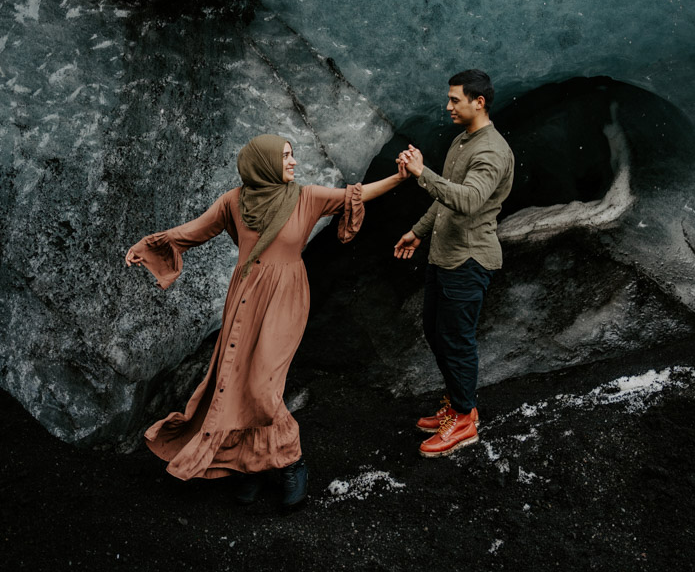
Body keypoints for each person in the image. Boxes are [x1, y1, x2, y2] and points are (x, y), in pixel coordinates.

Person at [126, 134, 407, 509]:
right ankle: (252, 466)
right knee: (236, 379)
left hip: (286, 296)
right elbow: (194, 231)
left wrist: (400, 177)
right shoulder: (234, 201)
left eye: (292, 156)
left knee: (262, 386)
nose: (293, 163)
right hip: (245, 296)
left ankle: (292, 461)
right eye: (286, 157)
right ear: (264, 163)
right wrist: (147, 246)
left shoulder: (305, 197)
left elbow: (354, 195)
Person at [393, 69, 514, 458]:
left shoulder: (492, 151)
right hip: (444, 254)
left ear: (479, 102)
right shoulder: (463, 141)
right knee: (435, 330)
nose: (447, 107)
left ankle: (464, 419)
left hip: (470, 258)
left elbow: (467, 200)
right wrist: (418, 231)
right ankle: (457, 400)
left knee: (457, 340)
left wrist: (420, 173)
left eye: (455, 100)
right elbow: (445, 200)